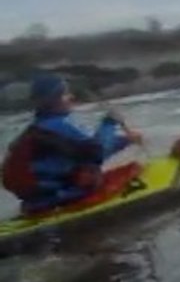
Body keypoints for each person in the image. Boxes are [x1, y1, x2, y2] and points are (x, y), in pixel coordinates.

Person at [1, 73, 144, 213]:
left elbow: (85, 152)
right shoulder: (57, 126)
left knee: (88, 168)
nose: (71, 97)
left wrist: (125, 141)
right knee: (114, 171)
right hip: (59, 197)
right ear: (54, 100)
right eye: (65, 94)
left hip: (36, 201)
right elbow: (97, 152)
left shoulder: (39, 128)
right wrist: (109, 122)